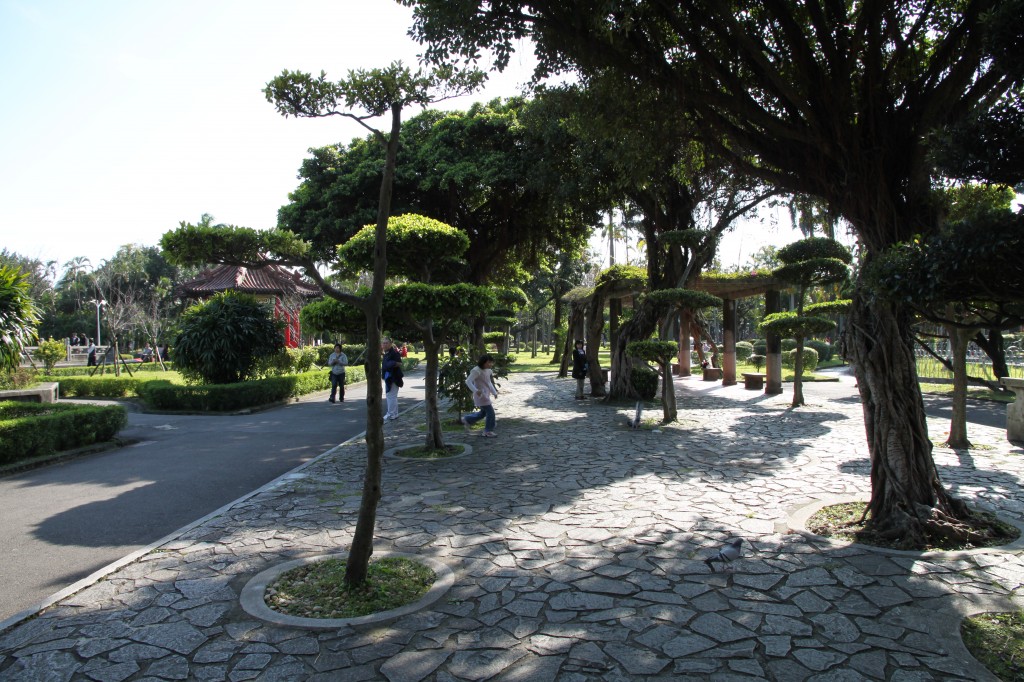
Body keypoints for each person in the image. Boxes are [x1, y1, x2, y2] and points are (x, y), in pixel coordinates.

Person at [460, 354, 498, 437]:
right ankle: (488, 431)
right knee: (491, 413)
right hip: (480, 395)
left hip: (486, 394)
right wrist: (476, 391)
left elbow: (489, 382)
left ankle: (467, 419)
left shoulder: (488, 370)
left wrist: (494, 392)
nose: (490, 364)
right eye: (488, 363)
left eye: (491, 363)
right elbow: (468, 381)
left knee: (483, 413)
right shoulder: (476, 370)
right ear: (483, 362)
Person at [381, 337, 403, 421]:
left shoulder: (394, 353)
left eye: (386, 343)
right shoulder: (386, 353)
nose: (385, 344)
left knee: (391, 396)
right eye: (383, 343)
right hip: (389, 377)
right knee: (391, 396)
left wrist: (391, 364)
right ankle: (394, 413)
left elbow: (399, 363)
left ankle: (391, 414)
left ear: (390, 344)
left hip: (393, 377)